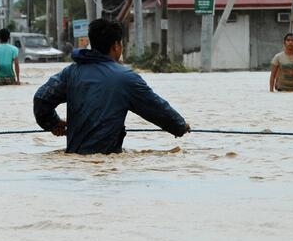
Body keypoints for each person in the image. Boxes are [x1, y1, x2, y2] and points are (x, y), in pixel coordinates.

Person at [33, 19, 190, 154]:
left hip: (74, 160)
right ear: (116, 46)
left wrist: (53, 123)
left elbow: (41, 99)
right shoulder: (126, 79)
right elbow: (156, 108)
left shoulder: (71, 72)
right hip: (109, 158)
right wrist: (180, 126)